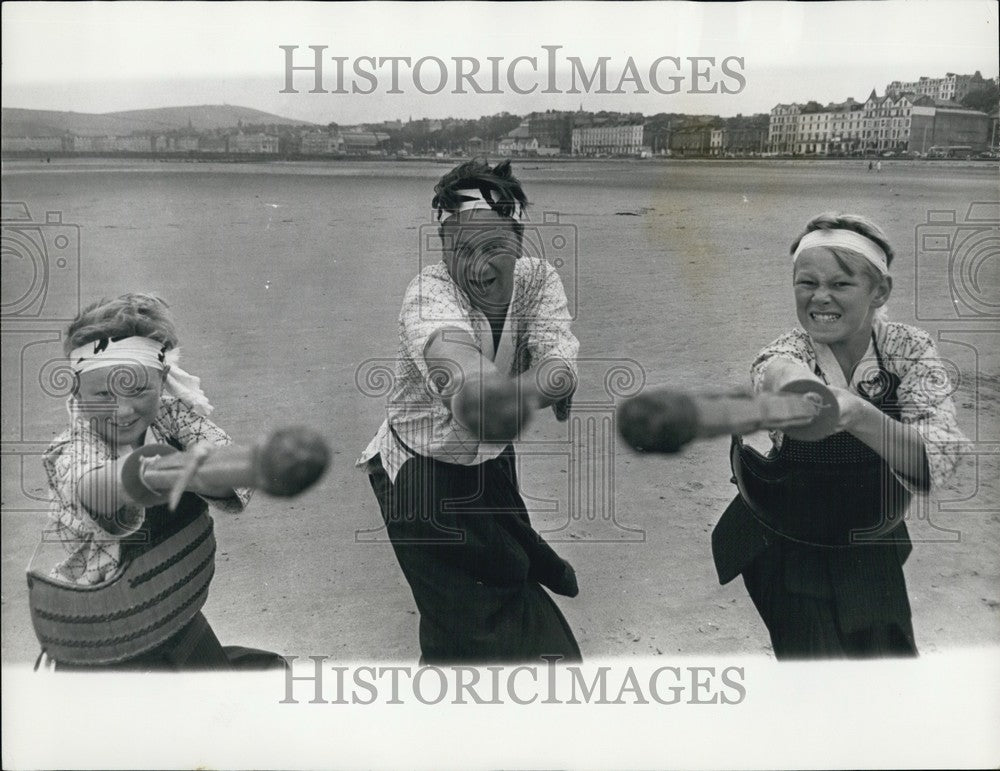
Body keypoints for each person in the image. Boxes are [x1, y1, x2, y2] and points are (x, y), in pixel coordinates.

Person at [712, 213, 967, 659]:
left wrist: (857, 414)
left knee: (891, 663)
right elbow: (775, 371)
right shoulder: (789, 350)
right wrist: (802, 393)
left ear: (879, 291)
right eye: (806, 283)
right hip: (784, 536)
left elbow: (937, 455)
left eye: (841, 284)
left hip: (869, 534)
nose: (820, 298)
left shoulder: (909, 349)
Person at [358, 158, 582, 664]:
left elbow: (558, 357)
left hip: (491, 465)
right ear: (442, 247)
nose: (478, 266)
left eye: (494, 247)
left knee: (508, 596)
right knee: (470, 635)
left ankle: (527, 558)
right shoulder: (430, 292)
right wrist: (480, 394)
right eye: (460, 248)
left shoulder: (538, 281)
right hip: (417, 479)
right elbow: (451, 354)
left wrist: (531, 391)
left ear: (519, 239)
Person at [32, 293, 285, 671]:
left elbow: (225, 460)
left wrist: (259, 465)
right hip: (95, 636)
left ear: (162, 379)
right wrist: (150, 473)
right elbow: (93, 486)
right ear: (75, 389)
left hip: (170, 611)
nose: (121, 410)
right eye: (102, 394)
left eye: (138, 390)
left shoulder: (172, 417)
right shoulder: (72, 449)